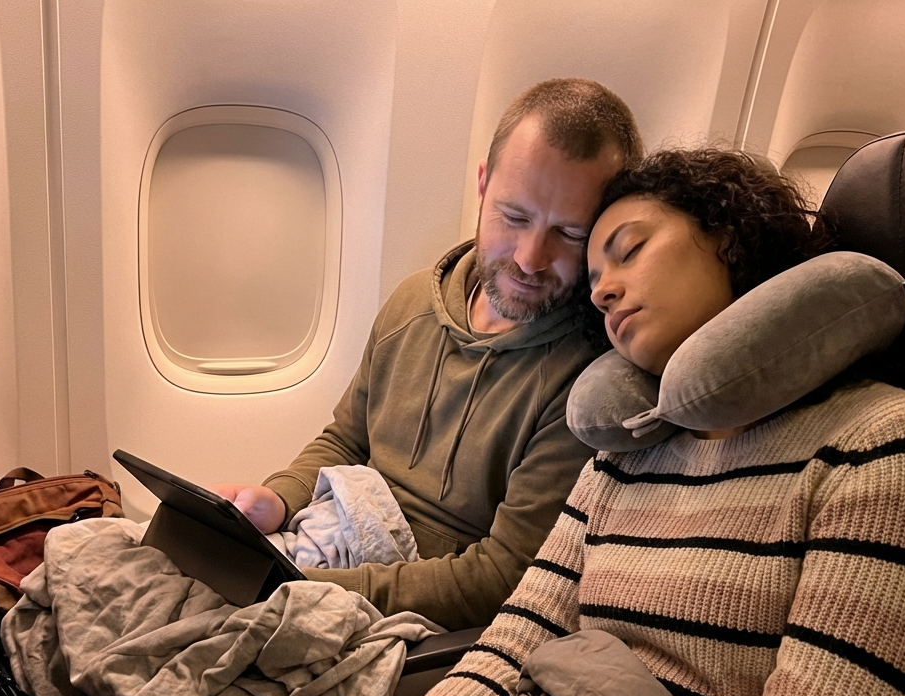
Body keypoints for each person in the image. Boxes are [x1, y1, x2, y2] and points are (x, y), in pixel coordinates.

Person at [355, 148, 905, 696]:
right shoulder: (624, 457)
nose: (603, 293)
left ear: (729, 235)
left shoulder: (886, 449)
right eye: (595, 279)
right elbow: (517, 640)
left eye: (628, 251)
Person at [208, 79, 645, 631]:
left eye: (570, 232)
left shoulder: (585, 381)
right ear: (483, 186)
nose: (532, 258)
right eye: (514, 217)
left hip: (421, 615)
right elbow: (347, 439)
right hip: (330, 545)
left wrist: (294, 585)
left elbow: (501, 577)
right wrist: (274, 499)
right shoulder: (414, 302)